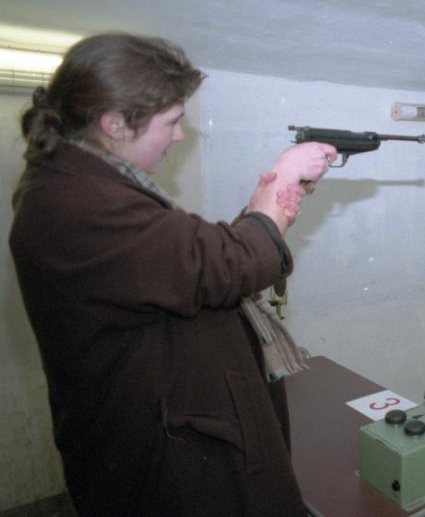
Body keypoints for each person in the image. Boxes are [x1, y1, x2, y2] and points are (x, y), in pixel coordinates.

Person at [8, 33, 337, 516]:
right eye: (171, 121)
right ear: (115, 124)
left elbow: (180, 261)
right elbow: (222, 266)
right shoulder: (80, 203)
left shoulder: (82, 184)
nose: (180, 135)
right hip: (164, 446)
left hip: (166, 419)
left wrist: (263, 208)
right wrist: (283, 183)